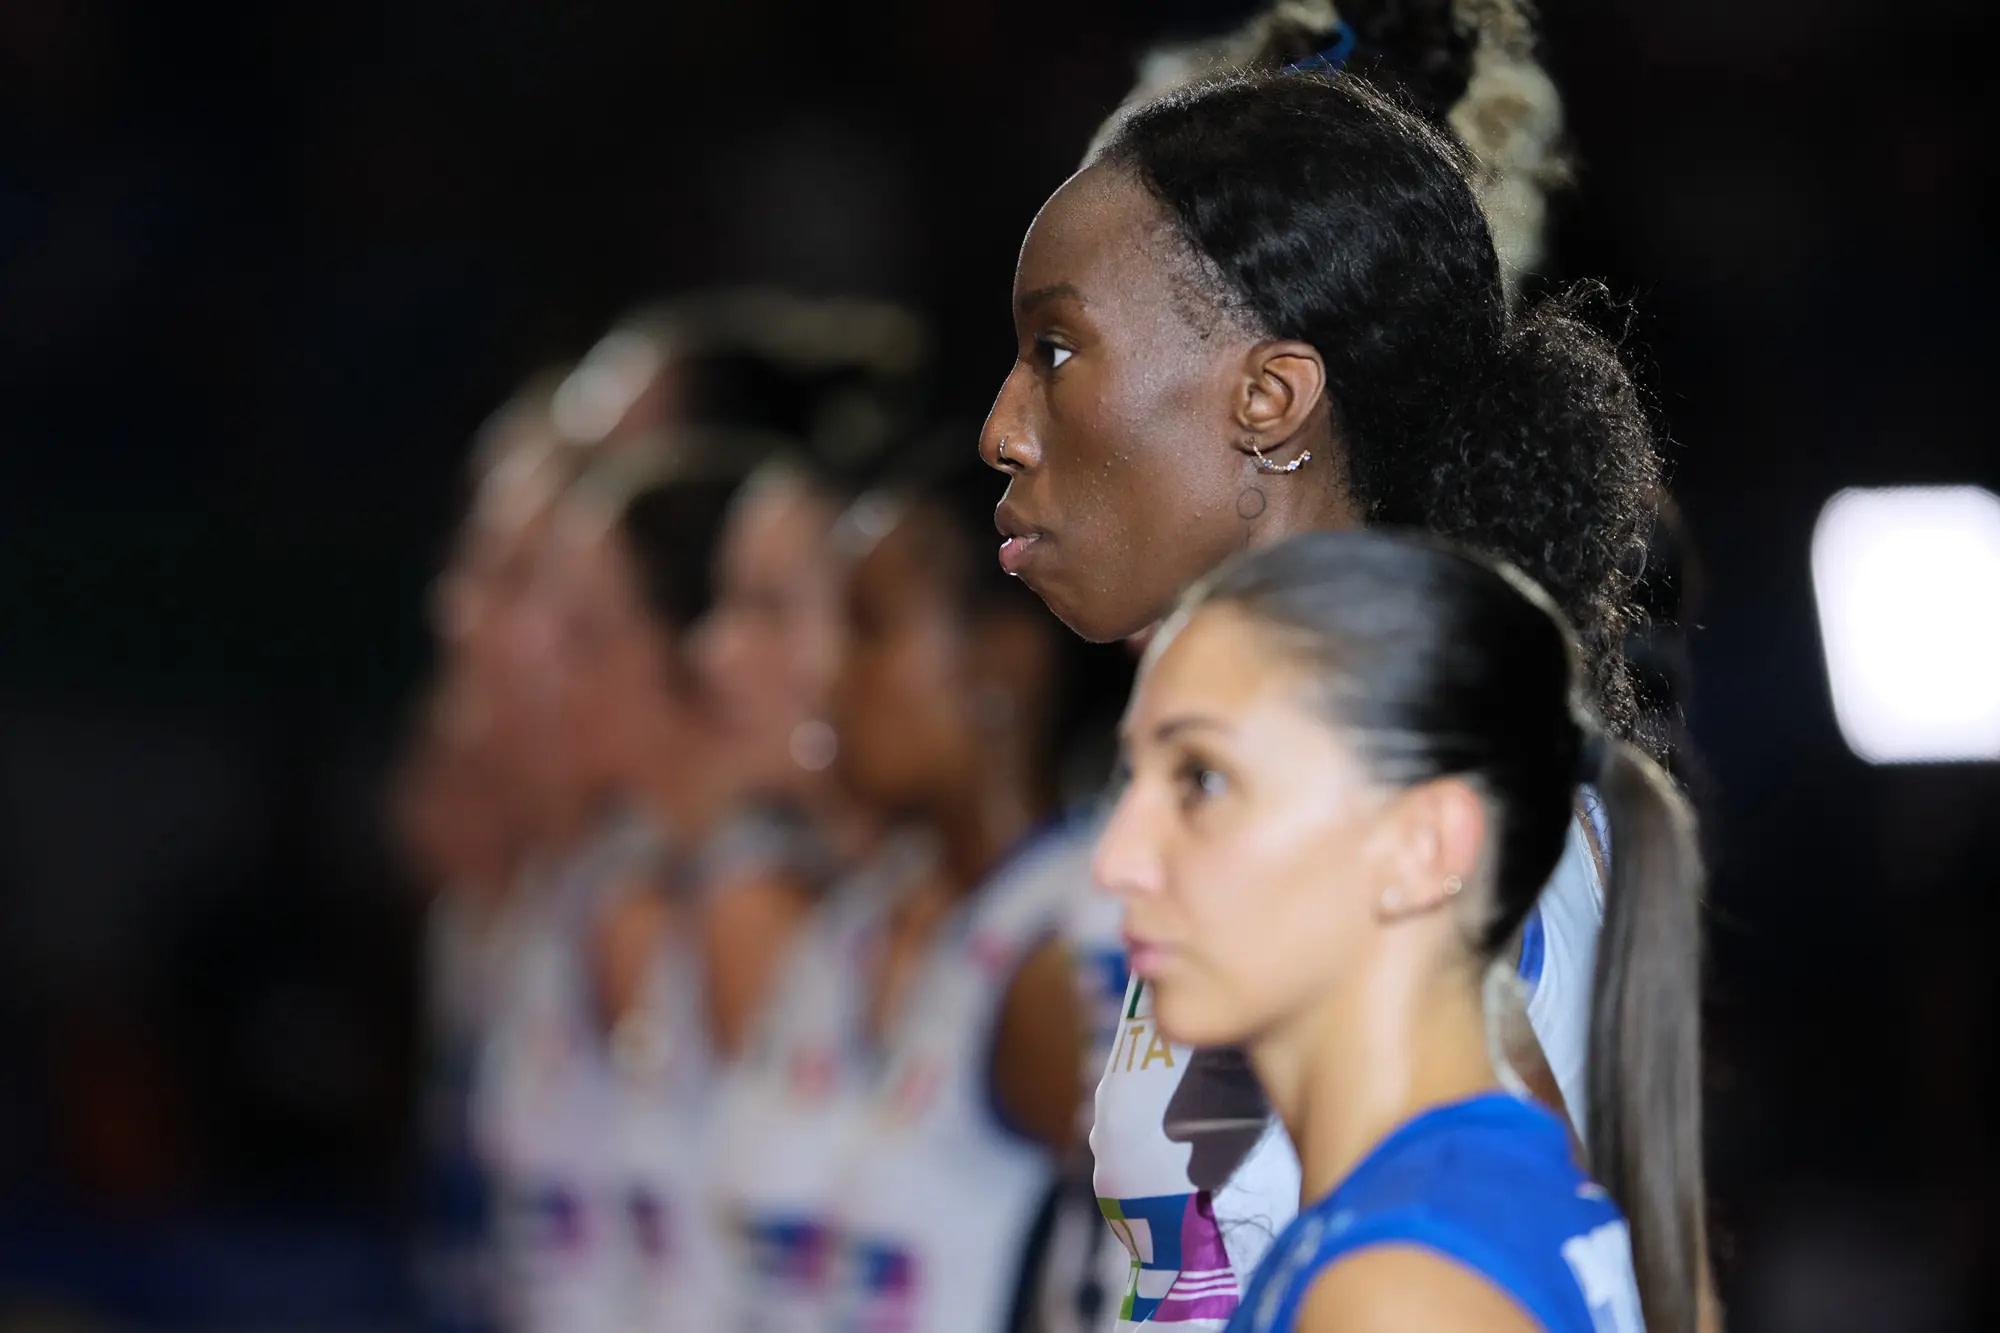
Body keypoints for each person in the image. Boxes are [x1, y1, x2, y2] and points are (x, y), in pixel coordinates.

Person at [980, 63, 1662, 1331]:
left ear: (1267, 399)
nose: (1002, 428)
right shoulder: (1259, 825)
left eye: (1054, 349)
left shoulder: (1434, 827)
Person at [1097, 529, 1706, 1333]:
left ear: (1424, 846)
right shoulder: (1437, 1217)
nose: (1118, 858)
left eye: (1203, 779)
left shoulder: (1403, 1289)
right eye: (1133, 777)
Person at [805, 455, 1091, 1333]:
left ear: (1001, 664)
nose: (829, 675)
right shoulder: (950, 919)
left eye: (869, 629)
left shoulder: (1058, 957)